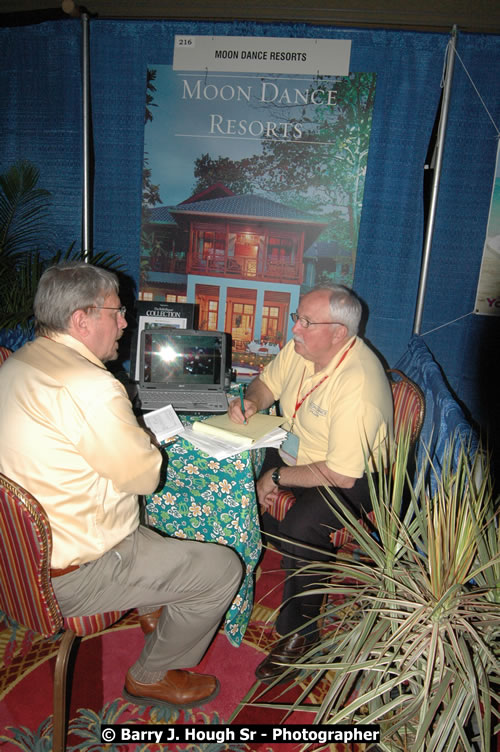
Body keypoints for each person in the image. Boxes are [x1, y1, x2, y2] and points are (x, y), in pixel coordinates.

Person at [0, 262, 242, 709]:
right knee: (222, 569)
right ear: (81, 320)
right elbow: (145, 476)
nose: (126, 321)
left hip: (17, 556)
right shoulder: (93, 386)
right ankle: (150, 676)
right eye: (116, 311)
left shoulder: (18, 361)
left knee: (140, 517)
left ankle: (152, 601)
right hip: (74, 577)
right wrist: (143, 438)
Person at [228, 285, 393, 682]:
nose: (295, 329)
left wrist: (276, 476)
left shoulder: (359, 385)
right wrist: (253, 401)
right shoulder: (304, 350)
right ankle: (226, 580)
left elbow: (340, 473)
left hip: (356, 475)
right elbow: (267, 383)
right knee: (231, 473)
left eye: (305, 322)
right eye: (296, 318)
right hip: (299, 452)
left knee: (301, 526)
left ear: (338, 333)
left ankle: (300, 635)